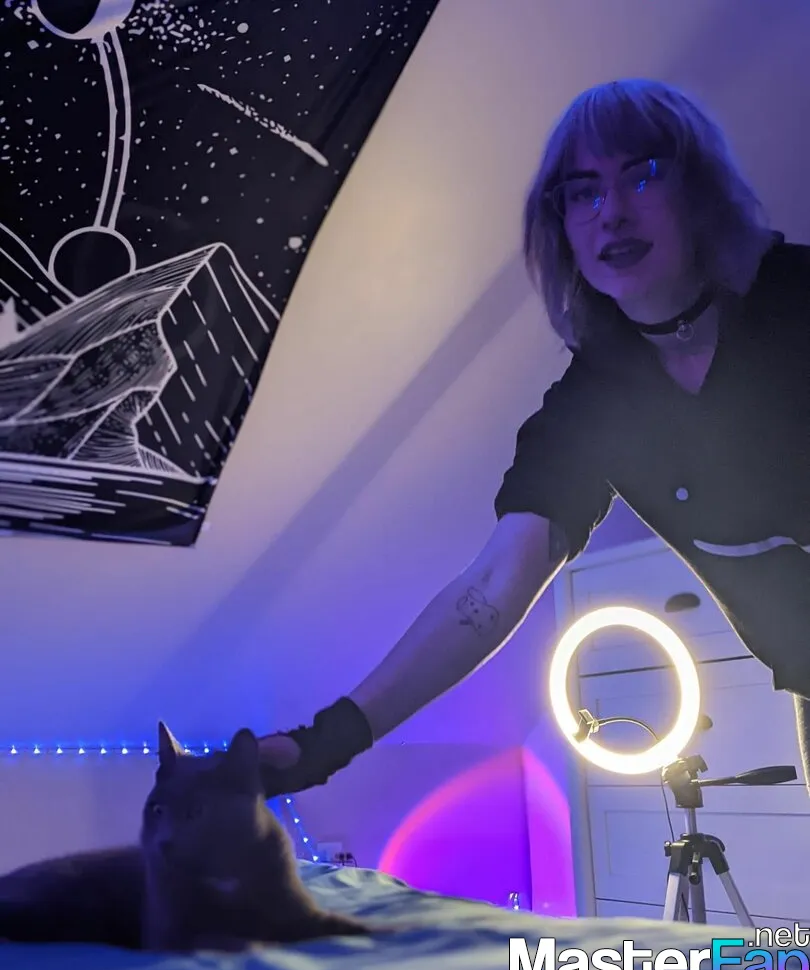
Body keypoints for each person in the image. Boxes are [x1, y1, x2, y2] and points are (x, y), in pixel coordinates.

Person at [256, 77, 810, 797]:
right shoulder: (589, 407)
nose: (612, 212)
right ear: (561, 227)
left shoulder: (797, 298)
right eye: (583, 193)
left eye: (642, 174)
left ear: (700, 190)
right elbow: (493, 584)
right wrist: (323, 744)